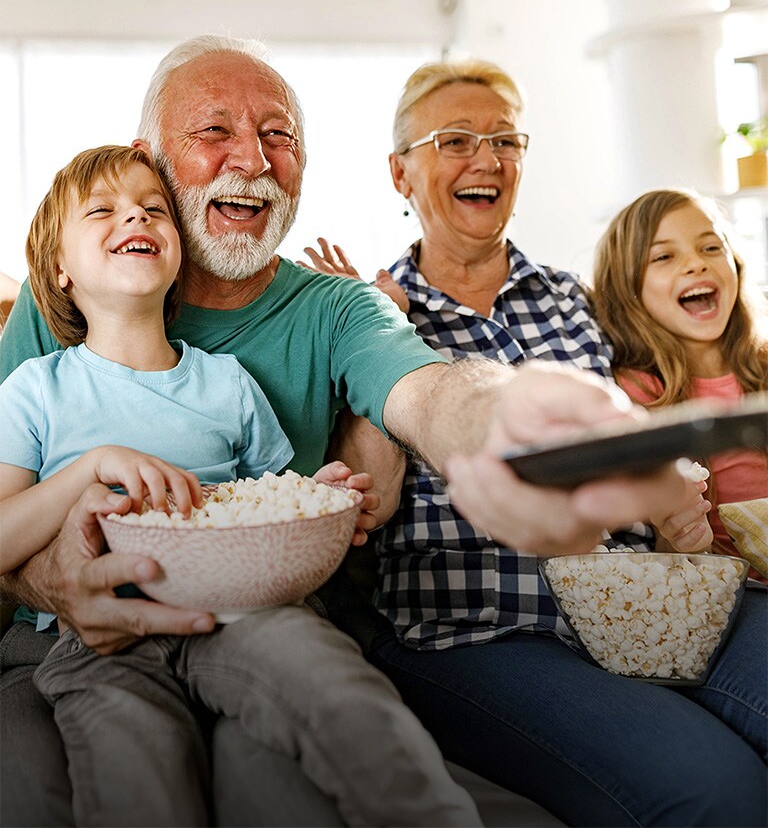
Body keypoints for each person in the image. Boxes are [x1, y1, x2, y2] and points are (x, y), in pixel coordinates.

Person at [0, 37, 693, 828]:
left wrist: (517, 413)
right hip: (59, 641)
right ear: (148, 158)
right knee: (34, 793)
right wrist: (53, 580)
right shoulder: (65, 311)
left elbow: (431, 394)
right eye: (214, 130)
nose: (254, 160)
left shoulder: (336, 309)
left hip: (256, 624)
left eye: (280, 135)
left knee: (286, 790)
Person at [300, 57, 767, 827]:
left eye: (505, 141)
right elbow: (371, 502)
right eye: (455, 140)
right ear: (399, 174)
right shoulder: (365, 313)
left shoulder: (575, 300)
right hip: (478, 625)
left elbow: (661, 402)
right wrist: (376, 328)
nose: (486, 159)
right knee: (718, 791)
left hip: (642, 596)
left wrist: (676, 509)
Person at [0, 143, 481, 828]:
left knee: (344, 697)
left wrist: (326, 491)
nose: (134, 218)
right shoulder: (36, 391)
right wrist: (89, 467)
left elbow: (271, 499)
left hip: (243, 615)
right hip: (103, 638)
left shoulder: (226, 383)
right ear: (59, 269)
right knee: (137, 779)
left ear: (180, 251)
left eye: (154, 209)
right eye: (102, 210)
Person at [591, 186, 768, 570]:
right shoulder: (636, 394)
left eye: (710, 248)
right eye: (664, 256)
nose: (695, 264)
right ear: (629, 289)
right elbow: (670, 563)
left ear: (734, 264)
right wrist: (678, 538)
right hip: (737, 593)